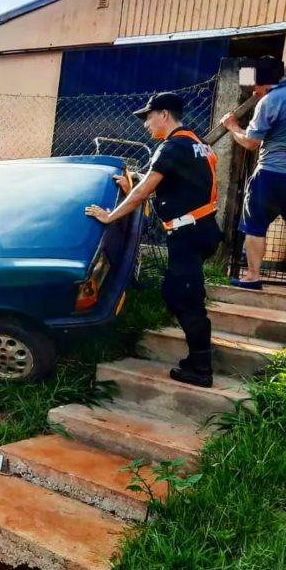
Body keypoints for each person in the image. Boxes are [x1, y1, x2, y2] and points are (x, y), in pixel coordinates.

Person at [86, 92, 222, 388]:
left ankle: (201, 368)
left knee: (185, 299)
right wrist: (134, 179)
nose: (146, 124)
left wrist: (111, 216)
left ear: (164, 115)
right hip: (203, 228)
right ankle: (197, 357)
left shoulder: (171, 147)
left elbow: (144, 191)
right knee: (176, 293)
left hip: (188, 233)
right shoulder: (198, 144)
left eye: (148, 117)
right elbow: (174, 180)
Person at [220, 57, 286, 294]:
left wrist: (232, 126)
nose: (254, 90)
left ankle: (253, 276)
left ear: (265, 83)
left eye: (255, 85)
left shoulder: (269, 101)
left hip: (271, 174)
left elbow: (251, 143)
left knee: (255, 224)